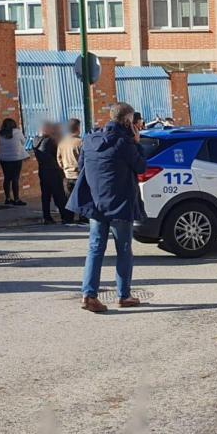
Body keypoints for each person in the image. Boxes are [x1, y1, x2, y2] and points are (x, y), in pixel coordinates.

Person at [67, 102, 147, 313]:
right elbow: (140, 167)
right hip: (120, 204)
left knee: (95, 248)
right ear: (128, 121)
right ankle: (123, 295)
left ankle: (89, 295)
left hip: (95, 204)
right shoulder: (125, 143)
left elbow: (82, 167)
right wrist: (137, 142)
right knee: (123, 250)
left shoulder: (90, 139)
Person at [33, 122, 74, 225]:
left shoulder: (35, 140)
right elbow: (58, 153)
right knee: (59, 194)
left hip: (42, 171)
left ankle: (47, 217)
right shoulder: (49, 141)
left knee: (45, 195)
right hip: (53, 171)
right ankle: (65, 217)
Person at [0, 118, 29, 206]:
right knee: (15, 178)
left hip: (4, 159)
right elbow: (23, 141)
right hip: (16, 158)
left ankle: (7, 198)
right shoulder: (18, 132)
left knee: (7, 178)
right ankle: (16, 199)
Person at [57, 118, 83, 200]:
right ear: (78, 128)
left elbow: (59, 159)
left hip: (67, 176)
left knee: (69, 202)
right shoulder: (81, 142)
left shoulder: (62, 142)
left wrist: (65, 168)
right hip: (79, 176)